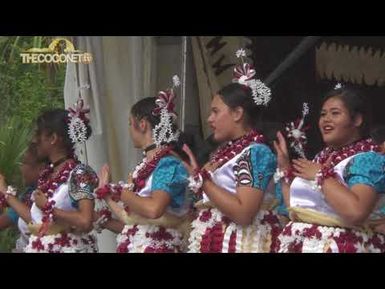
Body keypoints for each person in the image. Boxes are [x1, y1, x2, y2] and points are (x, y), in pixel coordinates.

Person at [184, 49, 280, 253]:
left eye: (216, 111)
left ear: (237, 113)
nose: (210, 119)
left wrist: (204, 181)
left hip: (242, 244)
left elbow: (244, 212)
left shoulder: (255, 152)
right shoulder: (226, 153)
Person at [274, 86, 385, 252]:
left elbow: (356, 212)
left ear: (357, 120)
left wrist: (320, 175)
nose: (326, 120)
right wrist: (284, 169)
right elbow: (298, 207)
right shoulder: (322, 157)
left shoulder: (367, 159)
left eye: (335, 113)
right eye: (323, 114)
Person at [95, 75, 191, 253]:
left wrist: (118, 191)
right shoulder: (144, 166)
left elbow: (154, 209)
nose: (130, 130)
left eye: (130, 124)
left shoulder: (168, 163)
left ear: (142, 124)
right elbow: (131, 220)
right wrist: (107, 193)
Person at [23, 99, 99, 252]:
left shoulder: (79, 173)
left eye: (39, 134)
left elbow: (85, 221)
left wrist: (48, 207)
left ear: (53, 139)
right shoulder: (47, 175)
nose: (34, 140)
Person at [0, 143, 47, 252]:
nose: (20, 167)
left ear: (41, 168)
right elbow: (4, 221)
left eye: (24, 163)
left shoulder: (46, 193)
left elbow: (38, 223)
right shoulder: (28, 193)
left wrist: (4, 191)